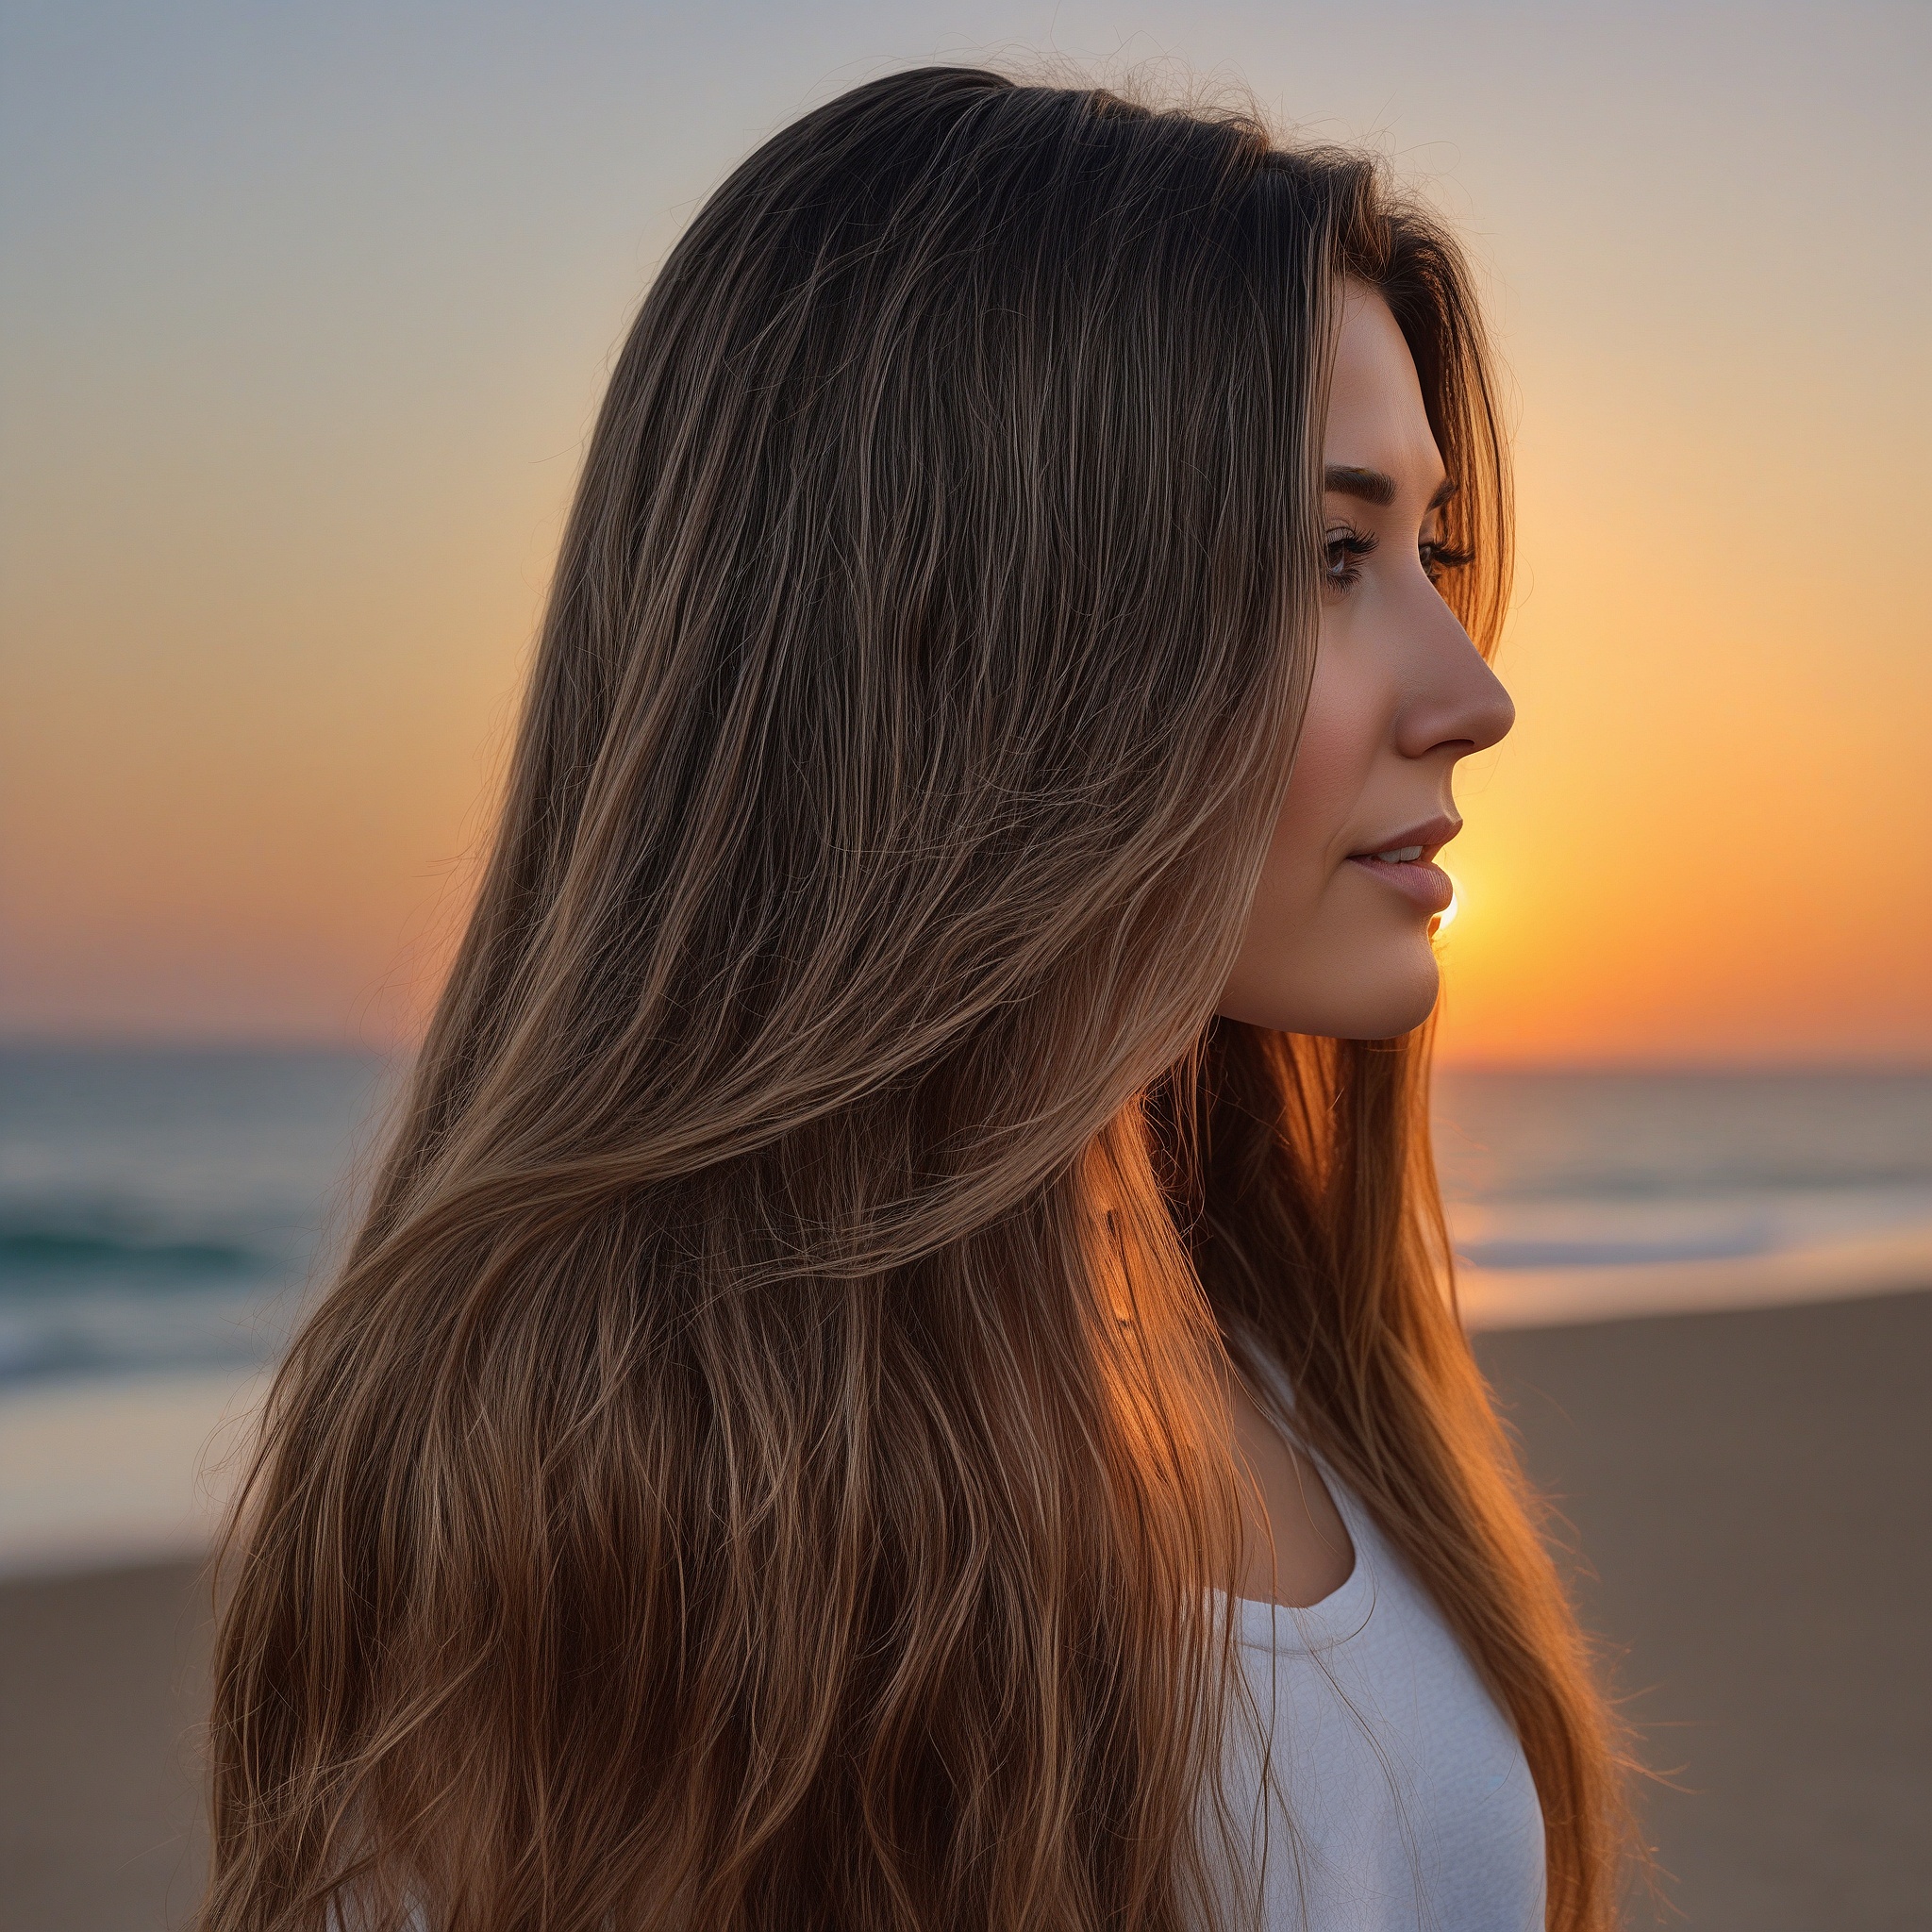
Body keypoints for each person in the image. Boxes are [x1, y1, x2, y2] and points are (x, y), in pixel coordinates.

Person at [203, 66, 1632, 1932]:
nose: (1471, 687)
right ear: (977, 621)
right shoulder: (637, 1528)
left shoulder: (1273, 1342)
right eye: (1329, 556)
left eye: (1426, 555)